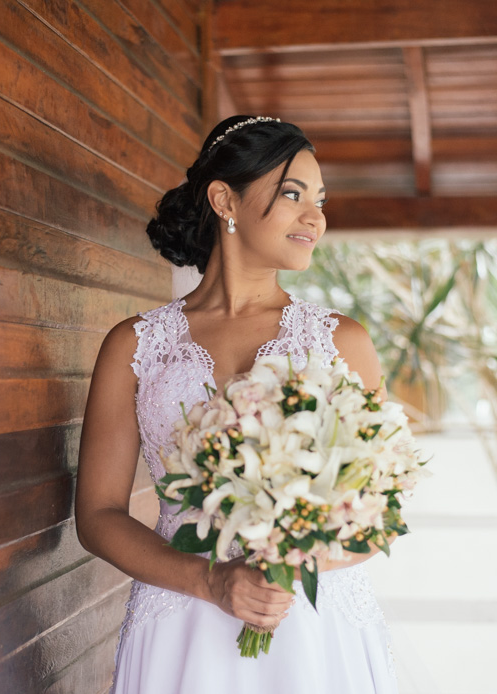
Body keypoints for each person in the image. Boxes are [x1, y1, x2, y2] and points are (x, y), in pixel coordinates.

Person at [75, 116, 398, 693]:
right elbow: (97, 515)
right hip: (181, 625)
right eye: (292, 194)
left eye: (319, 200)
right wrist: (209, 582)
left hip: (312, 633)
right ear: (225, 198)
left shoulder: (341, 344)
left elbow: (379, 519)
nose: (316, 217)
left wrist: (287, 566)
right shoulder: (136, 346)